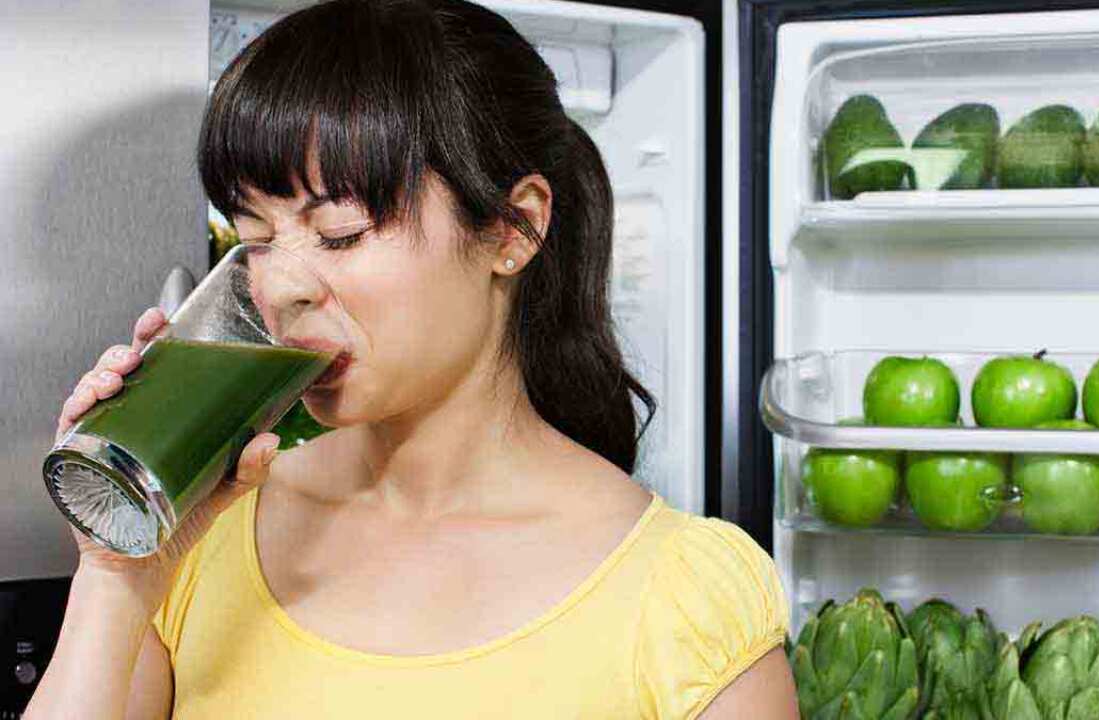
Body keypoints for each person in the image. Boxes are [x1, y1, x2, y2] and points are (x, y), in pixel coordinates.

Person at [26, 0, 798, 717]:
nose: (278, 288)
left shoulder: (682, 596)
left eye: (341, 233)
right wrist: (116, 575)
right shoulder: (199, 536)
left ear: (512, 230)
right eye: (254, 237)